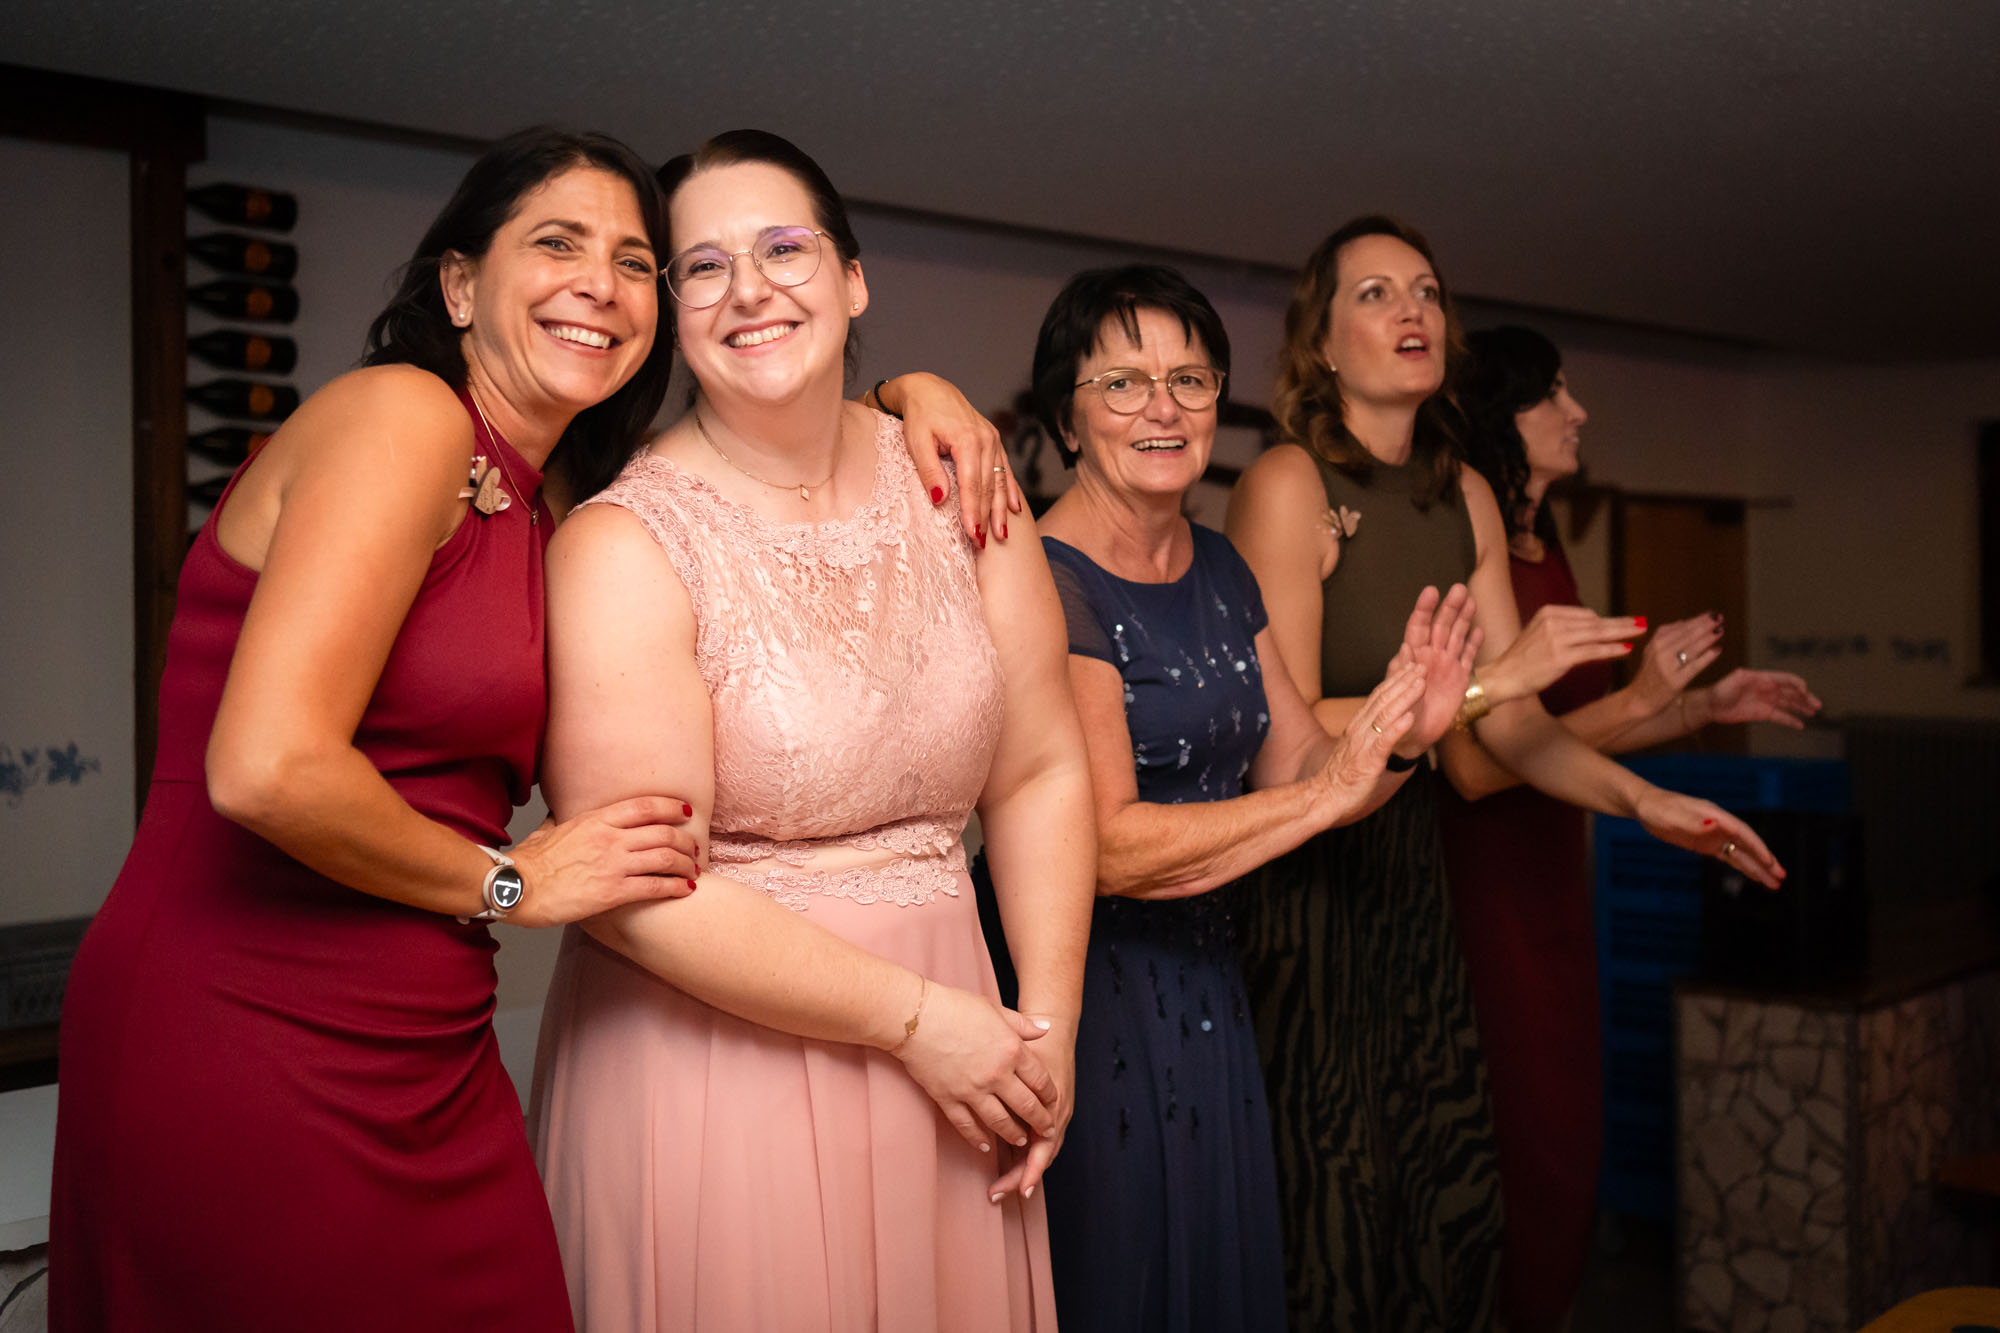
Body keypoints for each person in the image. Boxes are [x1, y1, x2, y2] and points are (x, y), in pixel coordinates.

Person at [48, 126, 1026, 1331]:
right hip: (244, 1012)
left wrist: (903, 394)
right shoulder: (402, 419)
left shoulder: (549, 491)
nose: (598, 284)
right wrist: (508, 882)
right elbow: (263, 768)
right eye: (556, 244)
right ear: (460, 285)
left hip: (428, 1027)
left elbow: (781, 418)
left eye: (633, 262)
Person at [528, 129, 1095, 1332]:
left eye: (784, 249)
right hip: (714, 1064)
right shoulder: (623, 543)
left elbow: (1042, 769)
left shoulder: (961, 482)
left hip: (967, 1054)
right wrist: (920, 1023)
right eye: (702, 266)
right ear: (668, 310)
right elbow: (637, 889)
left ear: (852, 278)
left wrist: (1043, 1031)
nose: (749, 289)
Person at [1224, 215, 1786, 1332]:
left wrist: (1644, 801)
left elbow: (1511, 731)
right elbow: (1282, 728)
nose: (1412, 311)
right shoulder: (1287, 482)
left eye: (1427, 291)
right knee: (1332, 1213)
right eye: (1376, 293)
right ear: (1321, 344)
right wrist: (1486, 683)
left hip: (1416, 879)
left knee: (1447, 1207)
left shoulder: (1466, 495)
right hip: (1312, 881)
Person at [1009, 263, 1480, 1332]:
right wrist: (1327, 793)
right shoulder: (1045, 577)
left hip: (1215, 982)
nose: (1163, 408)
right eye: (1122, 383)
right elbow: (1109, 848)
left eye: (1190, 379)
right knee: (1121, 1276)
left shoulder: (1221, 565)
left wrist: (1406, 737)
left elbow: (1301, 762)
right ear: (1067, 419)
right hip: (1091, 992)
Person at [1437, 324, 1821, 1333]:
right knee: (1526, 1144)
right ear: (1501, 417)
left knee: (1571, 1137)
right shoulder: (1469, 555)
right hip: (1490, 885)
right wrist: (1644, 701)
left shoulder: (1544, 543)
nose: (1579, 413)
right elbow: (1484, 762)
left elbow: (1577, 733)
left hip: (1556, 872)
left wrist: (1697, 707)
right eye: (1553, 395)